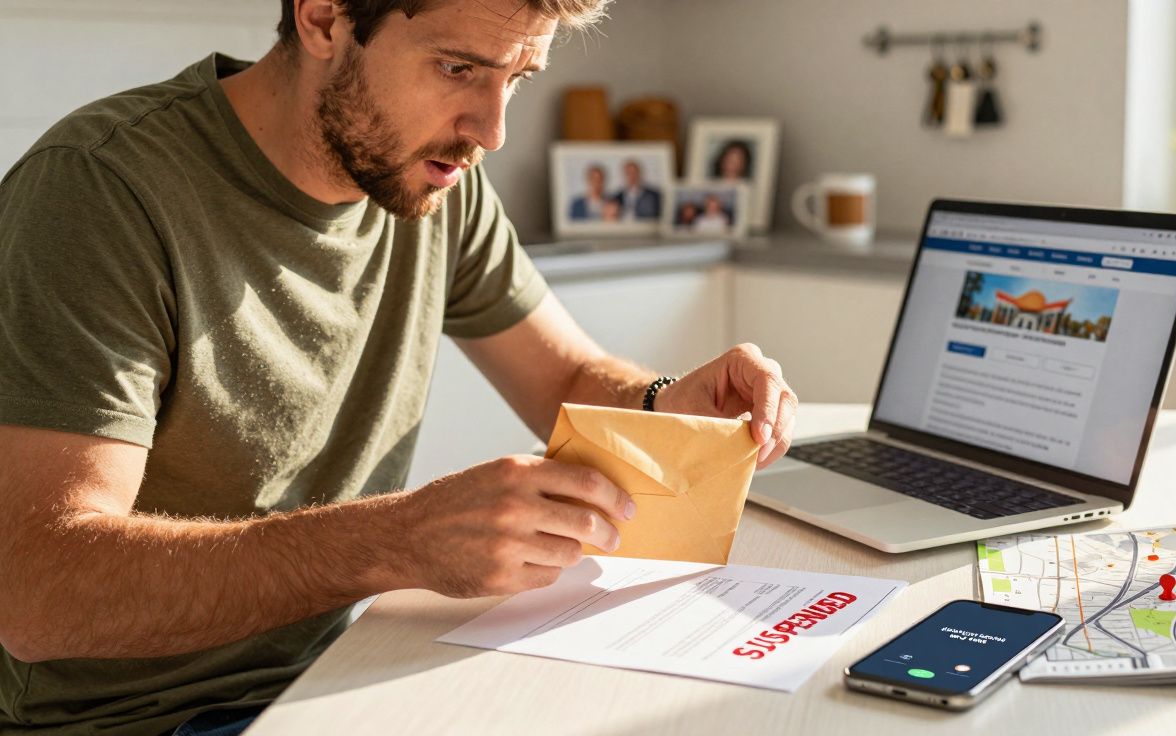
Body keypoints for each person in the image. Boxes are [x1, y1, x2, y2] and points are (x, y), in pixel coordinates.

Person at [0, 1, 798, 734]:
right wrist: (396, 542)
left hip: (341, 675)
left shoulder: (436, 179)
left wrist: (662, 403)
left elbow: (563, 376)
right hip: (143, 720)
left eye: (516, 79)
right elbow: (38, 592)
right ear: (323, 19)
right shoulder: (100, 191)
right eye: (459, 69)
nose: (491, 131)